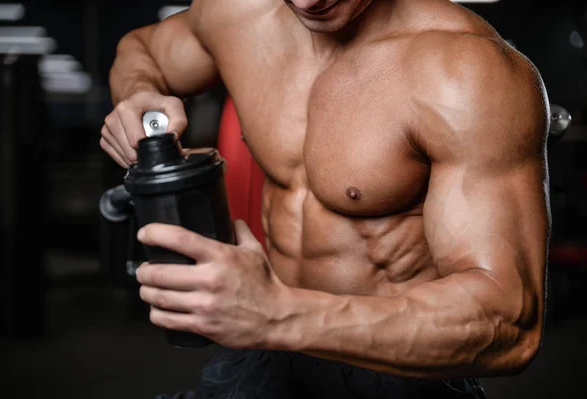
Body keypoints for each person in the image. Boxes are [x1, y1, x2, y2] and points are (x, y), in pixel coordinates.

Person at [100, 0, 551, 397]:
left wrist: (279, 314)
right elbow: (141, 49)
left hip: (402, 375)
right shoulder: (238, 15)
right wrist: (140, 94)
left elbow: (509, 321)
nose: (308, 1)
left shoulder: (466, 71)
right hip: (263, 355)